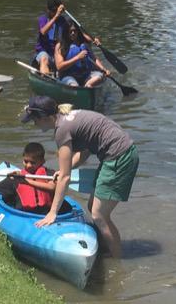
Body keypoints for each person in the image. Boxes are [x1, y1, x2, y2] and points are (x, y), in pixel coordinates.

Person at [22, 96, 139, 259]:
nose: (34, 124)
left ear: (44, 117)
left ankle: (118, 262)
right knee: (93, 207)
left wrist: (52, 212)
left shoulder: (61, 130)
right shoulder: (66, 117)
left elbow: (65, 178)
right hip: (117, 154)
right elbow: (85, 150)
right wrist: (65, 169)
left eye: (34, 120)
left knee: (99, 214)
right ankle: (106, 248)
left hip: (119, 157)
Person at [0, 142, 54, 214]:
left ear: (42, 161)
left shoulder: (50, 174)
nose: (28, 165)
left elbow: (52, 187)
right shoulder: (15, 178)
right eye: (26, 161)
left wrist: (25, 181)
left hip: (47, 215)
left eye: (33, 162)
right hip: (24, 216)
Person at [55, 21, 110, 88]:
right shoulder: (60, 46)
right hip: (68, 76)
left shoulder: (83, 44)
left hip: (85, 76)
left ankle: (87, 87)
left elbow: (94, 59)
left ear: (78, 32)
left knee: (100, 76)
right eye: (70, 31)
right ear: (66, 33)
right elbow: (59, 67)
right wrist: (77, 57)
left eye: (74, 31)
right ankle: (81, 90)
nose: (73, 33)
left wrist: (104, 70)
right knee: (74, 86)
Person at [34, 0, 68, 75]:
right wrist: (56, 17)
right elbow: (43, 32)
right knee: (44, 59)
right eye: (53, 11)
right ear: (48, 10)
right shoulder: (43, 19)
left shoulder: (63, 20)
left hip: (57, 52)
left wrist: (92, 39)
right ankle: (46, 78)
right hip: (44, 51)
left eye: (57, 11)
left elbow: (74, 32)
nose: (55, 13)